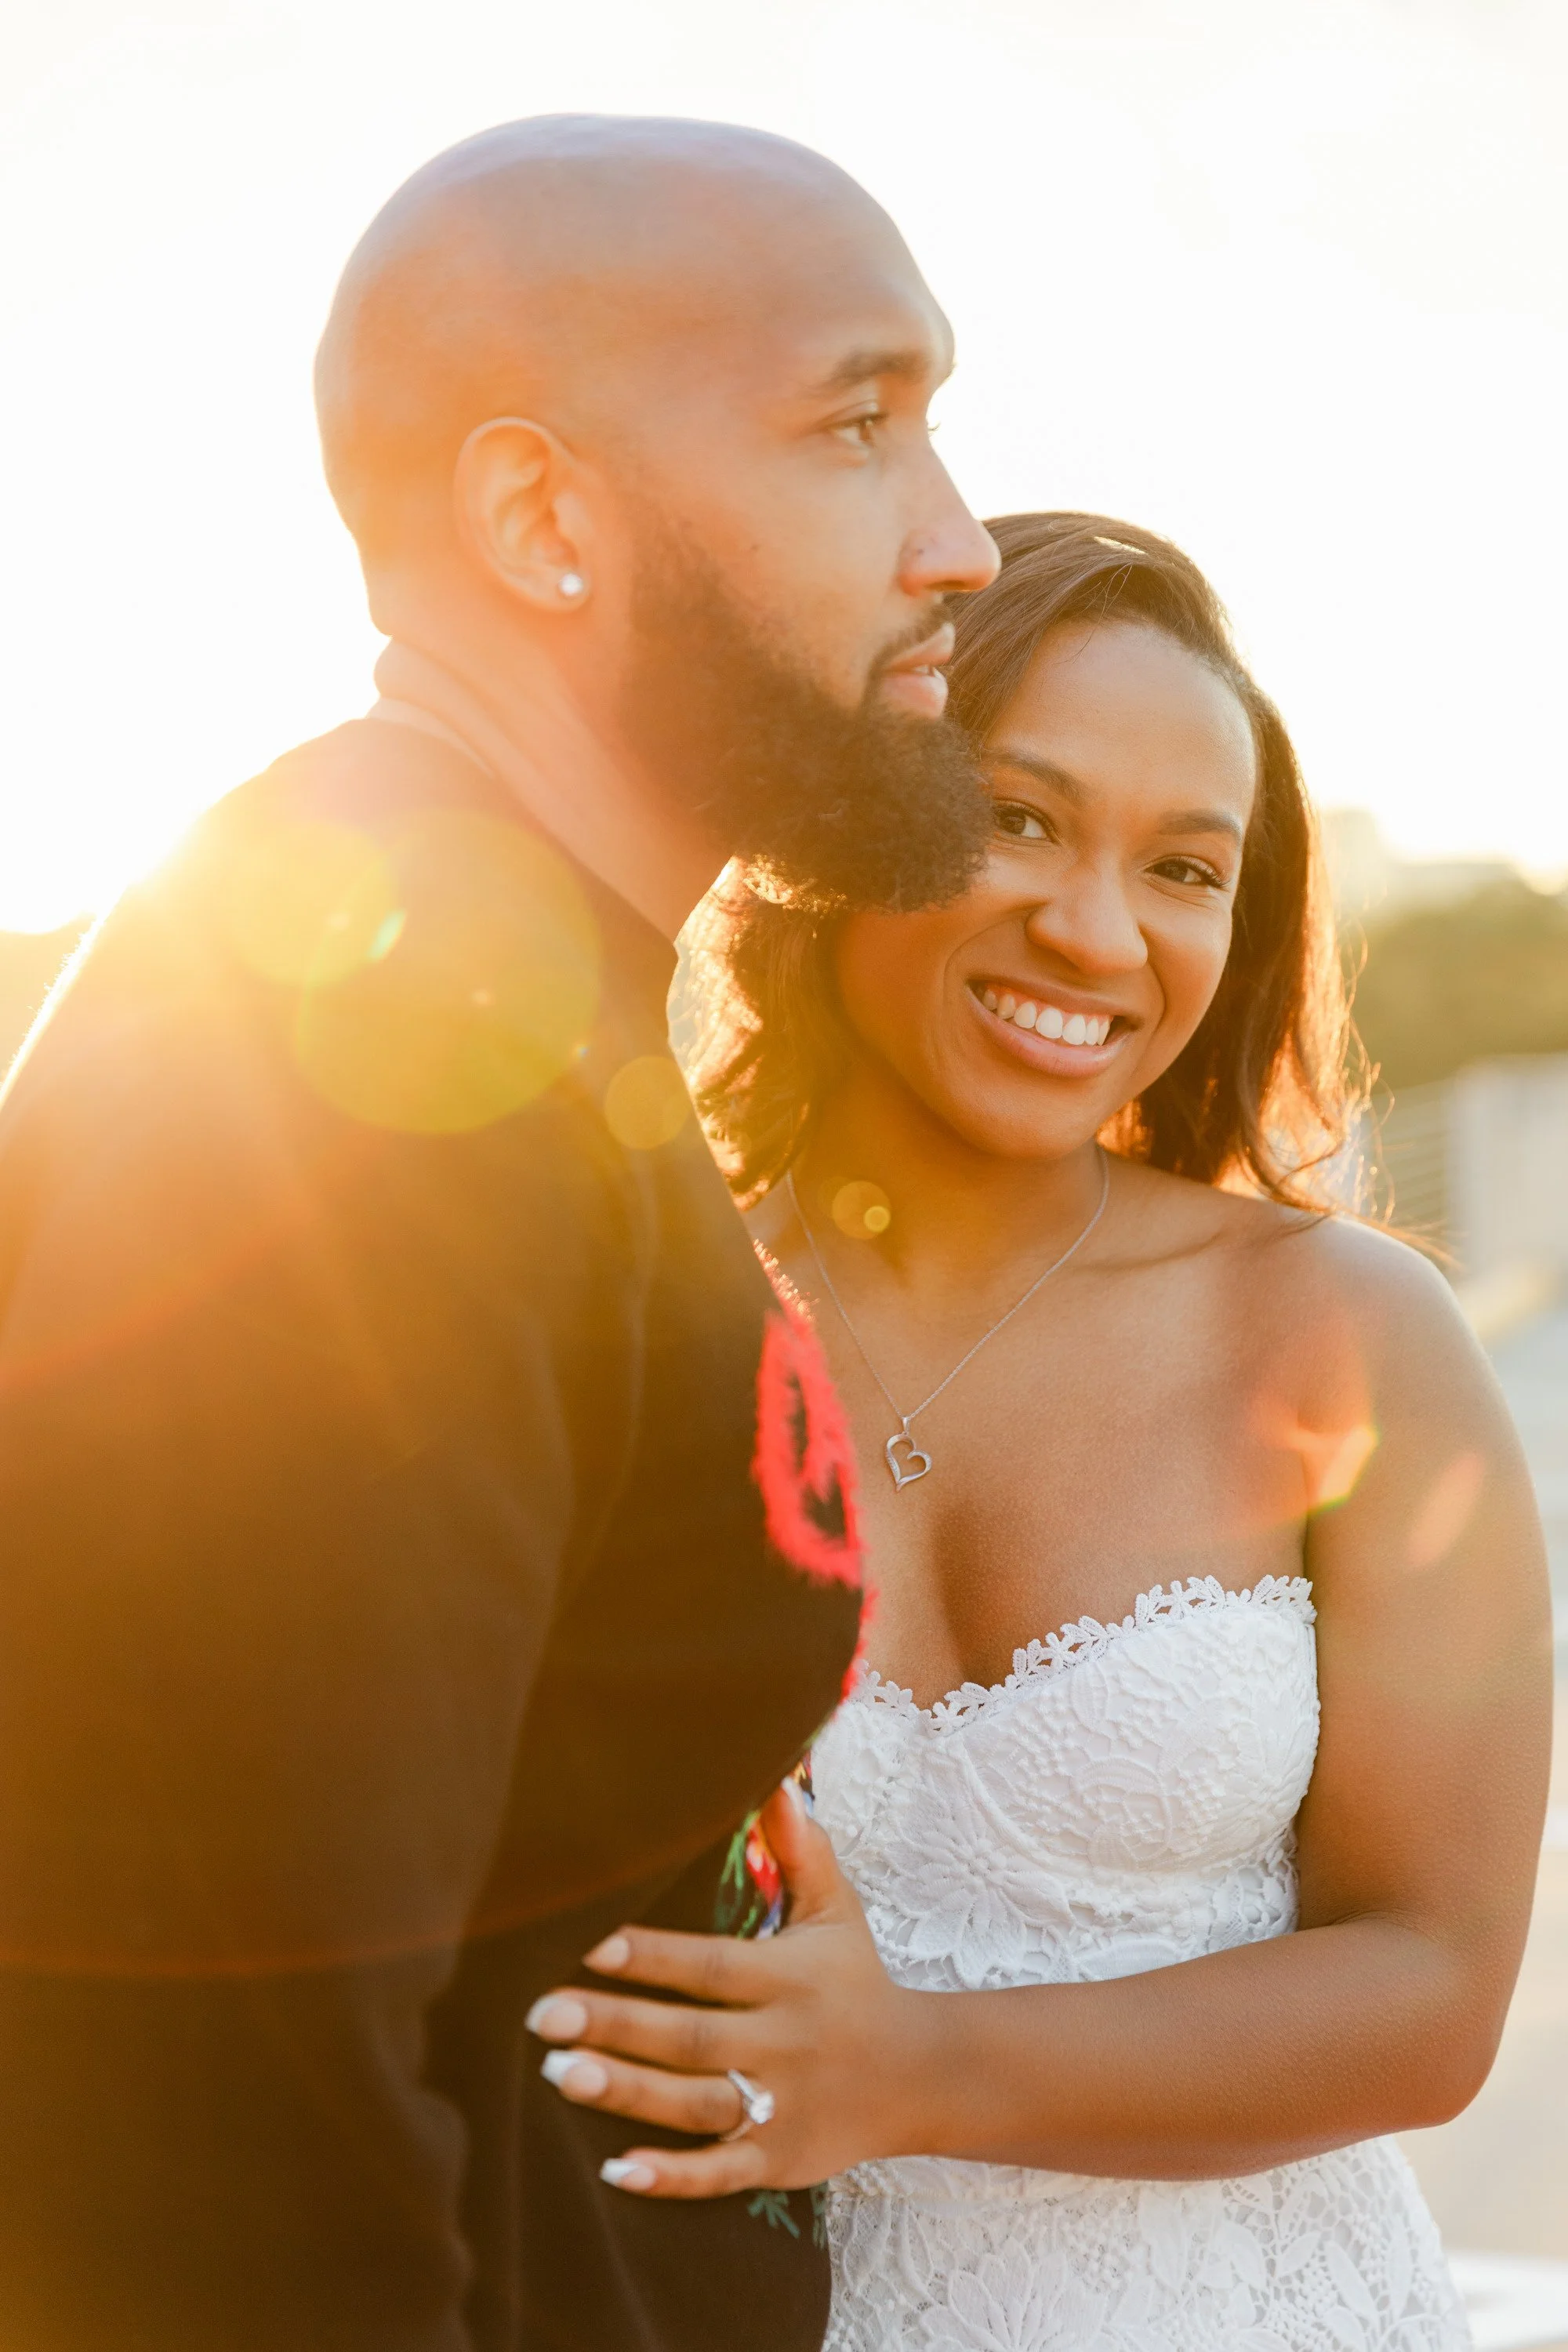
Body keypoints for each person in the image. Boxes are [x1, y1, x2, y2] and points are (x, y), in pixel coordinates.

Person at [0, 118, 1000, 2352]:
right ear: (543, 517)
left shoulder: (510, 1001)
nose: (963, 545)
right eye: (860, 424)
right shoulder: (352, 1078)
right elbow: (188, 2104)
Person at [523, 514, 1555, 2350]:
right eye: (1015, 816)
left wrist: (915, 2069)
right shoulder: (635, 1321)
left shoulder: (1343, 1337)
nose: (1093, 931)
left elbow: (1436, 1989)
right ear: (848, 820)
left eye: (1181, 867)